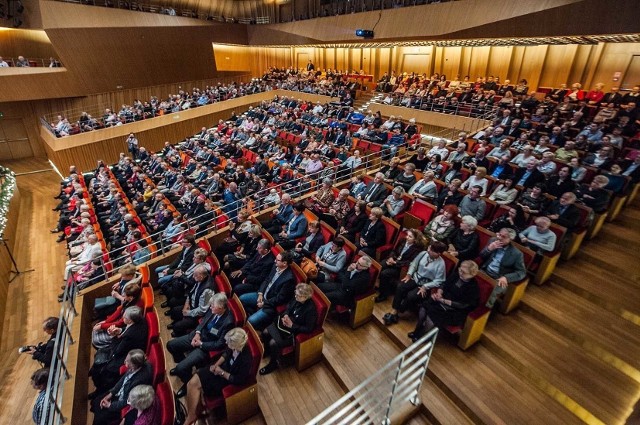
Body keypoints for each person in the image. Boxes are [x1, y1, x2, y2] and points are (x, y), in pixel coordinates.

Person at [183, 328, 252, 425]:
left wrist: (222, 373)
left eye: (228, 343)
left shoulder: (246, 359)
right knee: (191, 383)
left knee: (196, 386)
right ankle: (193, 413)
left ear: (236, 345)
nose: (227, 344)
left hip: (226, 381)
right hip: (221, 369)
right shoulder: (233, 345)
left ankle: (191, 416)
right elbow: (226, 354)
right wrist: (216, 365)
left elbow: (237, 380)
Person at [167, 293, 234, 391]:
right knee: (170, 345)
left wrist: (201, 344)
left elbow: (219, 344)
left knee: (180, 369)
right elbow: (203, 321)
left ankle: (187, 383)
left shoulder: (228, 322)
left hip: (205, 347)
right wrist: (197, 333)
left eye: (213, 306)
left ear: (220, 307)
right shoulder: (213, 308)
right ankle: (184, 365)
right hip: (197, 335)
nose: (210, 307)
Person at [408, 260, 480, 342]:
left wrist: (443, 301)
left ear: (472, 275)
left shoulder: (473, 287)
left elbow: (463, 305)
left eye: (464, 272)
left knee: (431, 316)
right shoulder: (456, 275)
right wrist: (439, 293)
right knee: (423, 308)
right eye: (460, 270)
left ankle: (424, 337)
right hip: (442, 300)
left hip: (454, 310)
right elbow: (444, 284)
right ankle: (417, 331)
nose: (461, 273)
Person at [382, 241, 447, 325]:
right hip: (415, 278)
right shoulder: (423, 253)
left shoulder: (441, 264)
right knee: (400, 286)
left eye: (431, 250)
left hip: (425, 284)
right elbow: (414, 264)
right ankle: (394, 310)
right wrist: (409, 274)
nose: (428, 250)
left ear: (438, 253)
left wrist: (426, 286)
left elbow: (439, 280)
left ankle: (399, 311)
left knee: (411, 296)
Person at [259, 283, 318, 375]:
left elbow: (309, 329)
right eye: (295, 294)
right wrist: (286, 314)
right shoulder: (296, 298)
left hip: (293, 333)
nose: (295, 296)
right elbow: (288, 307)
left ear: (305, 297)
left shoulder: (311, 310)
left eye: (298, 295)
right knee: (265, 332)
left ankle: (273, 364)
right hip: (285, 324)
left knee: (273, 343)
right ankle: (267, 351)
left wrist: (292, 325)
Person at [91, 306, 148, 393]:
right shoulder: (140, 320)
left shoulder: (130, 335)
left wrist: (114, 336)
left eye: (124, 317)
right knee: (100, 353)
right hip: (128, 347)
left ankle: (101, 388)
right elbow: (128, 329)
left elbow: (117, 351)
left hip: (128, 354)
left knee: (105, 370)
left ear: (130, 320)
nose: (123, 318)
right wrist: (119, 330)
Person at [90, 350, 153, 425]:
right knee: (97, 401)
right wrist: (111, 393)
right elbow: (124, 379)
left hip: (123, 402)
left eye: (127, 361)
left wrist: (110, 405)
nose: (124, 362)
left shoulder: (139, 381)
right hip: (120, 394)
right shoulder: (135, 366)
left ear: (133, 365)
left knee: (100, 419)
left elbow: (129, 401)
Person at [239, 251, 296, 331]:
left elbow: (280, 298)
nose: (274, 261)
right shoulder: (275, 266)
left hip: (270, 304)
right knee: (241, 298)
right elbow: (266, 280)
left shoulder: (289, 279)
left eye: (277, 260)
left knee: (250, 321)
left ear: (284, 263)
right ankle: (252, 312)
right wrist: (260, 293)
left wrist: (264, 303)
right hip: (262, 295)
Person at [479, 228, 526, 308]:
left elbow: (521, 272)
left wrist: (506, 278)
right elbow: (481, 256)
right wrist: (489, 249)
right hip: (485, 271)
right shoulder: (492, 241)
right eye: (499, 235)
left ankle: (484, 311)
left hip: (499, 278)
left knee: (490, 292)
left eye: (503, 237)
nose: (499, 238)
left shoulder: (517, 254)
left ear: (510, 239)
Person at [376, 229, 425, 302]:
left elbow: (410, 262)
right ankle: (380, 287)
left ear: (415, 240)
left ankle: (383, 295)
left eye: (410, 236)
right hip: (393, 260)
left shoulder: (417, 249)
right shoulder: (402, 240)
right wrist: (391, 257)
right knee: (380, 265)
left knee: (385, 273)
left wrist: (396, 263)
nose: (407, 237)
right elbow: (393, 250)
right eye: (407, 235)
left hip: (400, 268)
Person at [167, 265, 214, 337]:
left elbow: (202, 310)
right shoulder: (199, 279)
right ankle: (177, 323)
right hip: (192, 305)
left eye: (195, 275)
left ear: (201, 276)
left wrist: (188, 313)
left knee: (177, 326)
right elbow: (191, 293)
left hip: (197, 314)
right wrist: (186, 304)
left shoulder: (207, 290)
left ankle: (180, 332)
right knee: (174, 311)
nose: (193, 277)